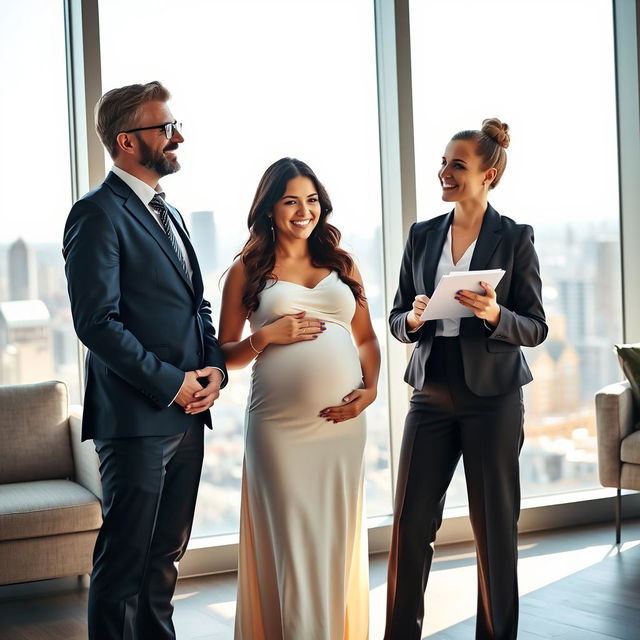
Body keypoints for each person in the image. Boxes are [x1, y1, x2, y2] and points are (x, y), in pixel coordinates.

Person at [63, 81, 227, 640]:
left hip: (188, 416)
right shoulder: (95, 215)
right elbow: (97, 324)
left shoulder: (172, 214)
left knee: (164, 560)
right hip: (135, 420)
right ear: (128, 141)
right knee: (125, 563)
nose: (178, 136)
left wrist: (214, 371)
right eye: (166, 128)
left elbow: (195, 305)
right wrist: (172, 386)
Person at [384, 119, 548, 640]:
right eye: (443, 162)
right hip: (429, 391)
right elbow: (396, 319)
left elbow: (536, 327)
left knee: (495, 531)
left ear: (488, 175)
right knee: (411, 526)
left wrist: (497, 315)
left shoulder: (515, 238)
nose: (445, 172)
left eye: (458, 165)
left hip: (493, 398)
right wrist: (412, 319)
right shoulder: (422, 235)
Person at [219, 157, 380, 639]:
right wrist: (266, 336)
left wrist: (369, 392)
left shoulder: (341, 263)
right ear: (269, 208)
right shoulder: (246, 270)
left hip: (341, 425)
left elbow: (368, 339)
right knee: (291, 541)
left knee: (333, 538)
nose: (303, 210)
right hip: (279, 430)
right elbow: (223, 355)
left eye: (311, 200)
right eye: (290, 200)